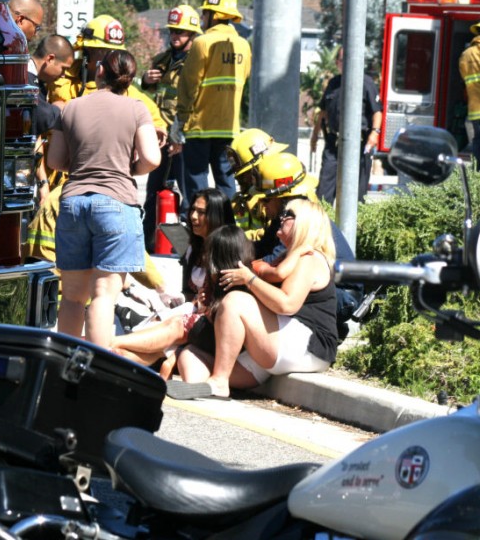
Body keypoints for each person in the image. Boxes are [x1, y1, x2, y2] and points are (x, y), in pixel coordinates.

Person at [47, 50, 161, 348]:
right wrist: (130, 168)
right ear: (130, 78)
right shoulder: (136, 108)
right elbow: (151, 157)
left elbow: (56, 161)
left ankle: (63, 363)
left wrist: (86, 163)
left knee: (72, 297)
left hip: (73, 203)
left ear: (99, 71)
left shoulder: (70, 107)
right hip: (116, 202)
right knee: (103, 295)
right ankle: (96, 366)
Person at [169, 199, 338, 400]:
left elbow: (286, 304)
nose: (280, 219)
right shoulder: (288, 258)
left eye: (287, 216)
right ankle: (205, 388)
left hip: (308, 345)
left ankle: (219, 382)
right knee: (191, 355)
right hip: (282, 341)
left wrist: (249, 280)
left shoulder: (309, 258)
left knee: (234, 301)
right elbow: (262, 275)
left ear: (302, 223)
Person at [110, 188, 235, 370]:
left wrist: (204, 304)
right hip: (190, 313)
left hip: (212, 323)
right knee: (151, 348)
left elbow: (230, 294)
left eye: (201, 212)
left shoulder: (226, 246)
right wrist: (188, 299)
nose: (193, 216)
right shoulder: (194, 247)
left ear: (216, 215)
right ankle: (113, 357)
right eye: (192, 210)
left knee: (167, 330)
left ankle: (109, 344)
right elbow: (189, 291)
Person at [248, 151, 361, 340]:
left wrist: (247, 269)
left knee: (271, 287)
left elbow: (274, 266)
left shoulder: (299, 221)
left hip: (342, 297)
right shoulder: (282, 219)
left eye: (266, 199)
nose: (263, 206)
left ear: (282, 197)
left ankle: (324, 332)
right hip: (327, 290)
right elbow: (261, 250)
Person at [176, 0, 252, 201]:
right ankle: (226, 229)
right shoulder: (244, 46)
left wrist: (180, 120)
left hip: (199, 127)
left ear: (213, 15)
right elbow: (243, 80)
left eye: (205, 12)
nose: (202, 17)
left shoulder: (202, 43)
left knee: (197, 185)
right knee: (226, 184)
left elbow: (188, 85)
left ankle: (199, 229)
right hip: (229, 129)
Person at [140, 5, 202, 251]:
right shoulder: (163, 60)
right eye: (173, 31)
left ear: (193, 35)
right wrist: (146, 81)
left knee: (188, 198)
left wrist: (181, 135)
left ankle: (189, 250)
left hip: (183, 139)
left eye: (182, 32)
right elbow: (153, 94)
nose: (175, 36)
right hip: (162, 138)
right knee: (154, 194)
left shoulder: (195, 62)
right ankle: (149, 244)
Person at [309, 47, 382, 204]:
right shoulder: (333, 83)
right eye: (342, 60)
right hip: (334, 144)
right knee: (323, 194)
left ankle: (354, 228)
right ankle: (325, 226)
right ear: (337, 63)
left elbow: (377, 112)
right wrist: (314, 136)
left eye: (349, 60)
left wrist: (375, 133)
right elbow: (323, 112)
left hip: (360, 145)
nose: (345, 64)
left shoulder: (366, 83)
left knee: (357, 196)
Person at [29, 34, 75, 204]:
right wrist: (60, 111)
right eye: (63, 68)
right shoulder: (23, 77)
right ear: (50, 59)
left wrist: (43, 184)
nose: (63, 76)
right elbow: (39, 115)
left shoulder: (39, 82)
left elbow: (34, 137)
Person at [227, 128, 287, 239]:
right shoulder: (241, 201)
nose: (240, 179)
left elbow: (276, 236)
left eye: (245, 173)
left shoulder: (282, 197)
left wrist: (233, 241)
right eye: (239, 174)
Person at [459, 22, 480, 170]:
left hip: (475, 110)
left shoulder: (466, 54)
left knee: (478, 142)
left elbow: (464, 77)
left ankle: (477, 176)